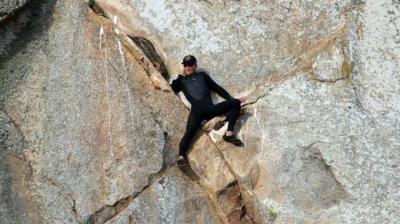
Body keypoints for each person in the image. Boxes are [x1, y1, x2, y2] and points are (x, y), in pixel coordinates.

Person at [170, 55, 245, 165]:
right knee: (189, 132)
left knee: (236, 103)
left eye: (190, 65)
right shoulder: (181, 80)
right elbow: (169, 88)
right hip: (197, 113)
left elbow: (217, 88)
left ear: (195, 65)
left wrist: (231, 99)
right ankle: (181, 156)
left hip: (211, 109)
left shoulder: (202, 76)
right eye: (185, 65)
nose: (188, 67)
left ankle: (228, 134)